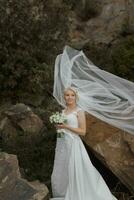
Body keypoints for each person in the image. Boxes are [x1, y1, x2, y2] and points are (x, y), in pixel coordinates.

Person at [50, 87, 117, 200]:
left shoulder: (79, 111)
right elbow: (61, 130)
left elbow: (83, 131)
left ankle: (82, 192)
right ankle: (64, 191)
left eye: (72, 95)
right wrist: (59, 128)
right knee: (63, 168)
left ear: (76, 97)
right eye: (67, 95)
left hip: (73, 144)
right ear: (64, 97)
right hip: (62, 144)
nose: (70, 97)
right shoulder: (62, 112)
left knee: (76, 168)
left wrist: (66, 126)